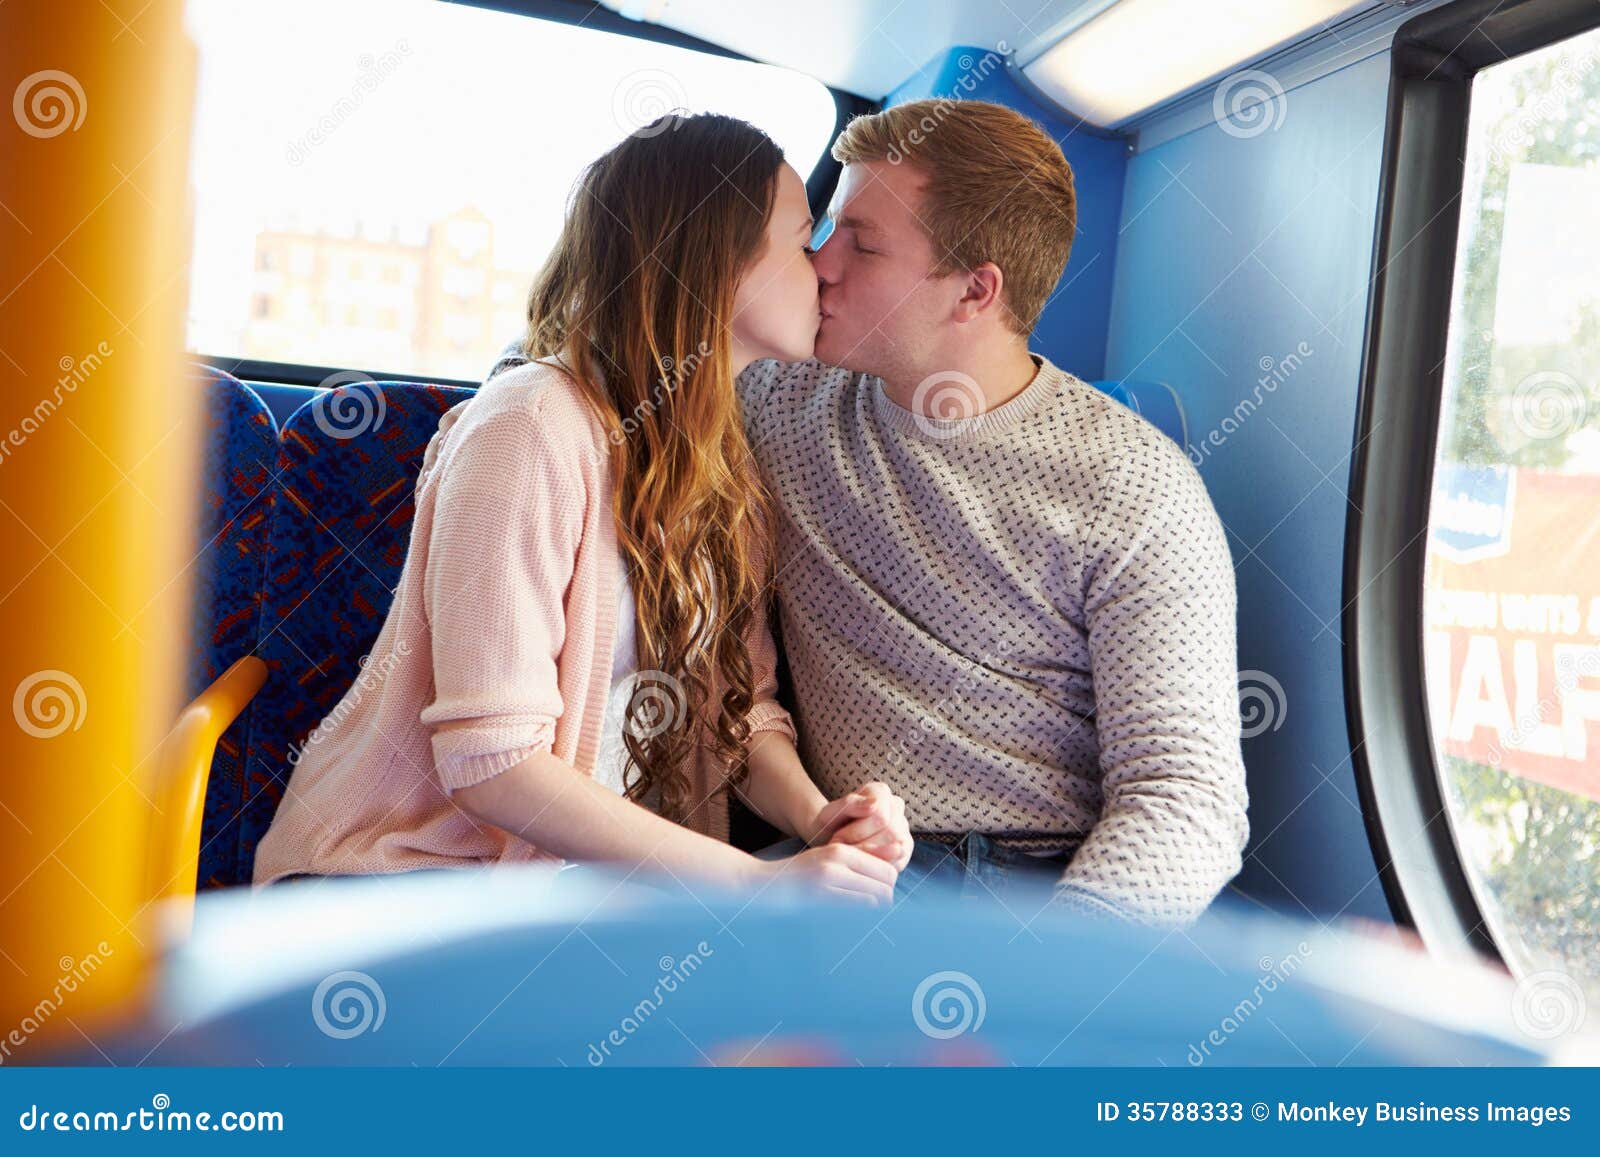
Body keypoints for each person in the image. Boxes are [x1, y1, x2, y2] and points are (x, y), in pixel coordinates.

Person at [253, 113, 912, 903]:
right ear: (717, 264)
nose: (825, 269)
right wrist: (762, 883)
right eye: (804, 239)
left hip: (565, 896)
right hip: (403, 878)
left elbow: (741, 714)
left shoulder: (719, 458)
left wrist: (821, 823)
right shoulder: (529, 427)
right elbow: (493, 766)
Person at [733, 99, 1249, 927]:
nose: (819, 264)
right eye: (826, 229)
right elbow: (599, 354)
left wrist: (1049, 980)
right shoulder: (779, 393)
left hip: (1033, 889)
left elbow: (1186, 795)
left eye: (860, 243)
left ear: (975, 291)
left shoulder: (1135, 487)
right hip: (839, 855)